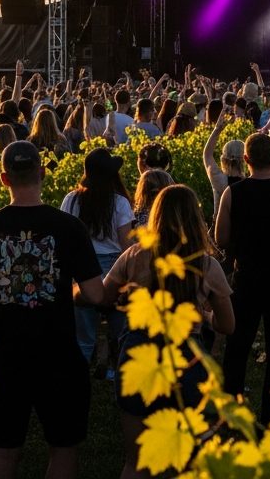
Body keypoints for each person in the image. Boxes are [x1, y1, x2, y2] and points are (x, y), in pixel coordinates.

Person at [0, 141, 105, 479]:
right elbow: (95, 293)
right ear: (43, 172)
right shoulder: (69, 227)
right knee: (63, 448)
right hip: (58, 353)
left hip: (3, 353)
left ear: (4, 178)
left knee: (2, 453)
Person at [103, 185, 233, 479]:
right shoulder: (206, 265)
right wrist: (206, 317)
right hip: (187, 359)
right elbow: (228, 325)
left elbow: (104, 295)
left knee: (136, 462)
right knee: (188, 463)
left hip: (138, 353)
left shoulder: (134, 256)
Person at [213, 124, 270, 421]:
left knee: (237, 347)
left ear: (246, 160)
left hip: (247, 276)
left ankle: (232, 412)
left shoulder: (233, 193)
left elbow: (221, 238)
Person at [61, 147, 135, 368]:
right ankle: (119, 377)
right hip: (114, 268)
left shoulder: (72, 200)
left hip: (82, 269)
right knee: (120, 331)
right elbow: (126, 245)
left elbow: (66, 238)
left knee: (83, 338)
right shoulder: (119, 203)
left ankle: (79, 381)